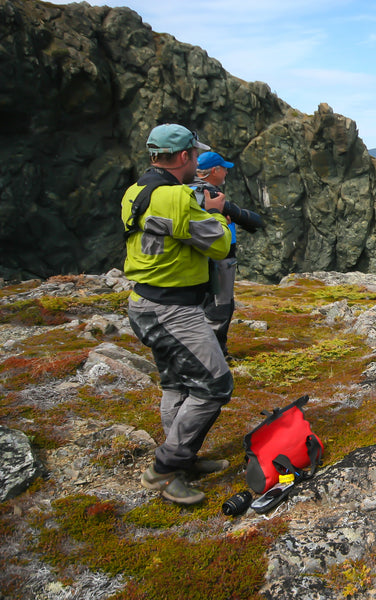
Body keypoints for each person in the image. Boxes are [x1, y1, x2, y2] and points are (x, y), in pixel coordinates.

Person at [121, 124, 233, 505]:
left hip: (144, 303)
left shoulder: (136, 191)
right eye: (196, 155)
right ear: (184, 156)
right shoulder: (176, 198)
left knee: (176, 384)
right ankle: (164, 470)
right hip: (172, 309)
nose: (199, 162)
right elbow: (218, 246)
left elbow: (172, 235)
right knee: (216, 385)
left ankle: (182, 460)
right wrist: (216, 213)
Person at [191, 151, 264, 361]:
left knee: (202, 305)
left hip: (197, 259)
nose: (226, 172)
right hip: (218, 259)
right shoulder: (209, 195)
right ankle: (215, 357)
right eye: (224, 168)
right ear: (214, 170)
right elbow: (250, 221)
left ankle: (204, 354)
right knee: (220, 306)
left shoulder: (187, 191)